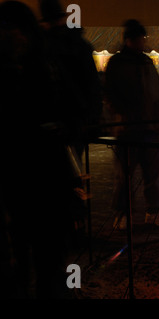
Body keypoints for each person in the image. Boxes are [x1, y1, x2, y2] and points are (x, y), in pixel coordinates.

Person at [0, 1, 76, 298]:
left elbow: (72, 105)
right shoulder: (43, 63)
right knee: (24, 255)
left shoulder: (45, 64)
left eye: (12, 30)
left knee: (46, 256)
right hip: (22, 174)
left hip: (42, 174)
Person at [105, 19, 159, 228]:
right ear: (130, 40)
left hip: (150, 127)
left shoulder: (146, 62)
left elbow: (155, 91)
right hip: (128, 129)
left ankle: (153, 212)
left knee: (153, 175)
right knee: (124, 175)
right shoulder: (117, 64)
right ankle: (122, 214)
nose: (144, 42)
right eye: (141, 38)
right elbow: (110, 93)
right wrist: (121, 113)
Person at [39, 0, 103, 159]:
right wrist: (91, 116)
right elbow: (93, 85)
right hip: (77, 119)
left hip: (56, 119)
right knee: (73, 167)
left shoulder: (44, 46)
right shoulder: (79, 44)